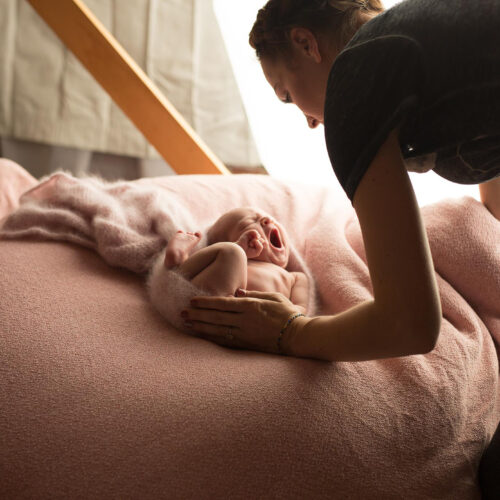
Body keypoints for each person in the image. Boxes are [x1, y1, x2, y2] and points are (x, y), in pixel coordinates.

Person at [185, 0, 500, 362]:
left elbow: (409, 325)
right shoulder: (421, 35)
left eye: (287, 95)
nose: (310, 122)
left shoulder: (354, 81)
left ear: (306, 43)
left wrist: (287, 330)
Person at [149, 207, 312, 352]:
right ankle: (178, 261)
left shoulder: (296, 277)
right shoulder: (237, 259)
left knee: (233, 252)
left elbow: (300, 311)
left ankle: (179, 263)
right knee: (232, 252)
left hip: (251, 323)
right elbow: (222, 260)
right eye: (250, 223)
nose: (266, 220)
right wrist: (239, 247)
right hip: (209, 299)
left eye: (266, 218)